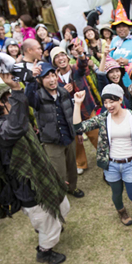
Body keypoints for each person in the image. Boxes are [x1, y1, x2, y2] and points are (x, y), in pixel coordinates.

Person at [0, 80, 70, 264]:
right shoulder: (0, 129)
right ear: (1, 102)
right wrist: (16, 89)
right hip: (29, 188)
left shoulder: (16, 121)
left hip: (43, 178)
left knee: (63, 206)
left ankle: (47, 228)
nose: (18, 102)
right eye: (12, 98)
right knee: (47, 223)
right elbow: (16, 128)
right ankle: (44, 251)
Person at [73, 85, 132, 226]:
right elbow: (79, 127)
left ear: (120, 99)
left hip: (130, 164)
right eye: (105, 102)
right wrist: (77, 104)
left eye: (112, 101)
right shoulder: (103, 118)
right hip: (111, 164)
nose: (108, 106)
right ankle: (121, 211)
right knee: (116, 193)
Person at [26, 62, 85, 198]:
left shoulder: (63, 91)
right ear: (40, 80)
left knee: (71, 167)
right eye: (47, 77)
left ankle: (72, 187)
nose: (52, 79)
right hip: (52, 141)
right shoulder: (38, 97)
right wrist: (30, 79)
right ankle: (60, 192)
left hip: (69, 136)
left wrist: (79, 131)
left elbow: (71, 113)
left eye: (53, 75)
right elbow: (28, 98)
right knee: (58, 171)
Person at [50, 47, 99, 176]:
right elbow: (54, 97)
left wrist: (81, 54)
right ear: (54, 62)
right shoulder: (54, 79)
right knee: (76, 142)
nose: (61, 58)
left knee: (96, 135)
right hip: (70, 114)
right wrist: (63, 92)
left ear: (67, 57)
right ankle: (80, 163)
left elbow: (83, 65)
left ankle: (106, 155)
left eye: (62, 55)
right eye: (57, 57)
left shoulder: (75, 70)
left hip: (86, 109)